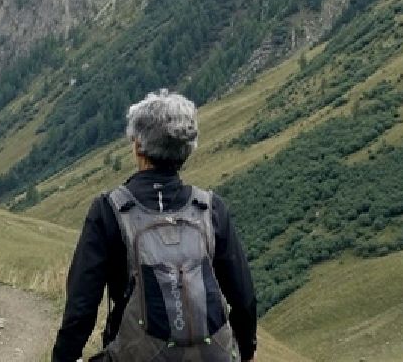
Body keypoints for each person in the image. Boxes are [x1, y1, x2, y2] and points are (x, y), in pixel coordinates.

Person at [51, 89, 257, 362]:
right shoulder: (209, 208)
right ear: (187, 150)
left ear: (138, 147)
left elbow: (81, 308)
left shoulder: (108, 210)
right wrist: (245, 351)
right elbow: (243, 298)